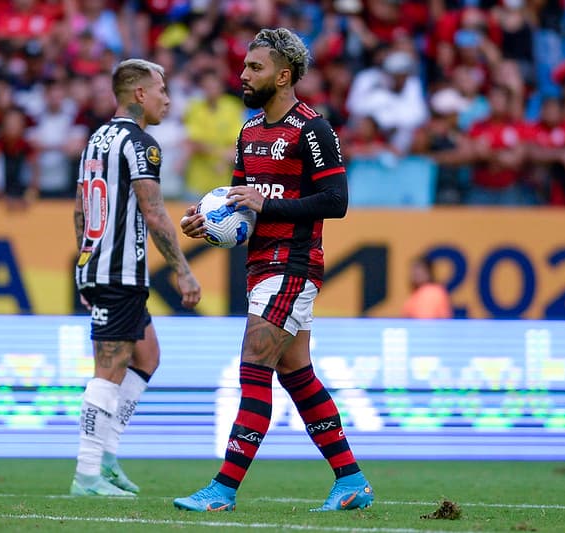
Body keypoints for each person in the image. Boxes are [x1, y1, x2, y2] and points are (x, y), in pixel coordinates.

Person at [175, 28, 373, 513]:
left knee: (254, 368)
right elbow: (239, 204)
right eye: (244, 67)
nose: (243, 75)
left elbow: (337, 201)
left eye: (254, 68)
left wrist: (266, 204)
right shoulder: (248, 132)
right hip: (260, 264)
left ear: (284, 76)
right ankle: (351, 480)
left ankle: (223, 488)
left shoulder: (313, 129)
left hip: (294, 264)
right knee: (296, 373)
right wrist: (207, 223)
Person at [71, 58, 201, 497]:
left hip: (102, 267)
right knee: (108, 370)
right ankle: (87, 474)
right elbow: (154, 210)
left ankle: (106, 458)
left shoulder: (96, 138)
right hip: (119, 271)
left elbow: (79, 208)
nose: (167, 98)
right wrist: (183, 271)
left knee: (146, 358)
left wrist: (84, 263)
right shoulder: (140, 142)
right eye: (162, 89)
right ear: (140, 94)